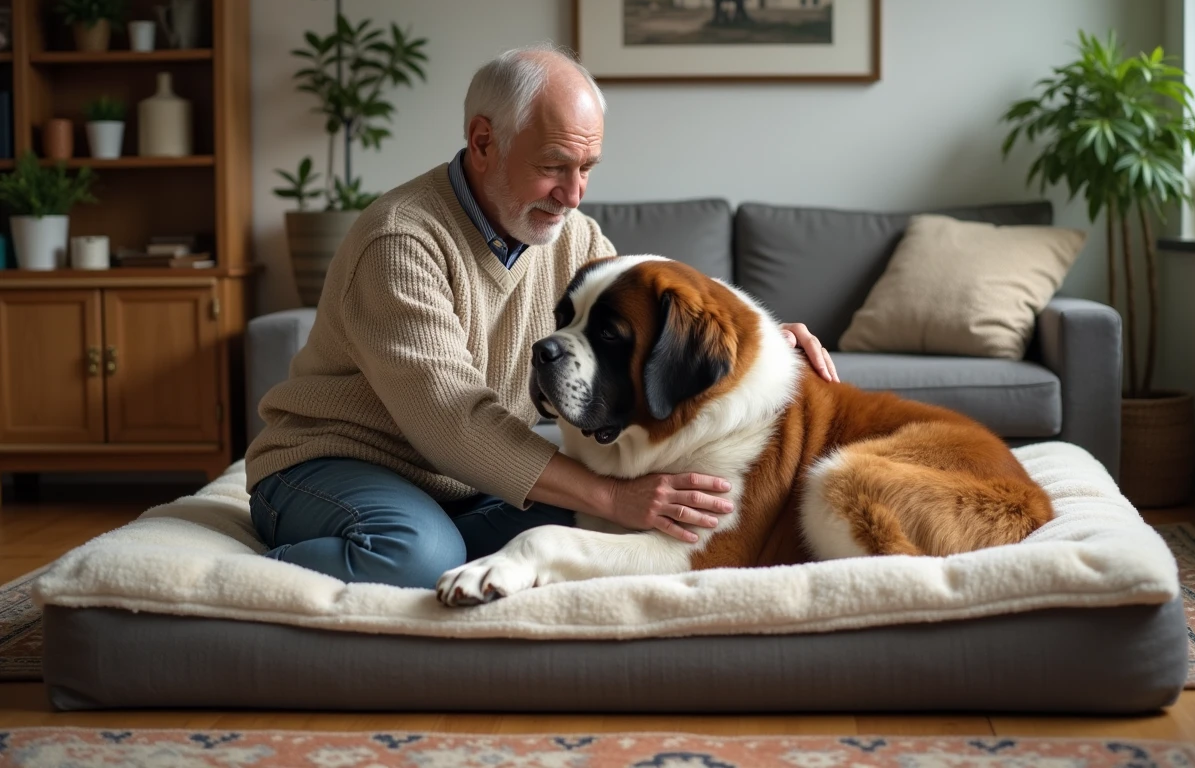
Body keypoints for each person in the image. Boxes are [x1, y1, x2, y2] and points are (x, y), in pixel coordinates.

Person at [244, 44, 840, 590]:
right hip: (332, 466)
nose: (573, 193)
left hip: (462, 485)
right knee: (415, 556)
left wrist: (754, 343)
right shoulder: (401, 241)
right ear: (483, 142)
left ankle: (431, 547)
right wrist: (612, 496)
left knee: (601, 539)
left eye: (588, 169)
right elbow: (455, 424)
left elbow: (640, 333)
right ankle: (238, 576)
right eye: (555, 166)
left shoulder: (574, 237)